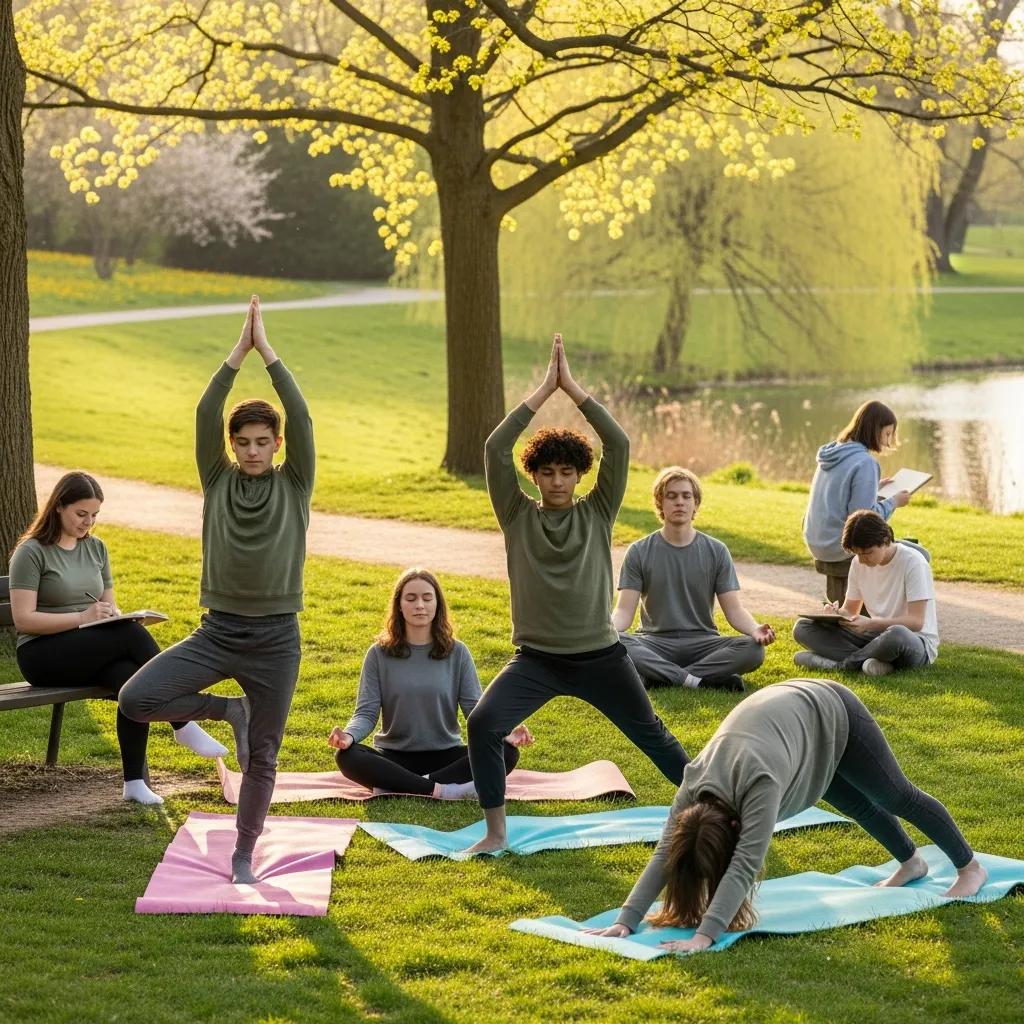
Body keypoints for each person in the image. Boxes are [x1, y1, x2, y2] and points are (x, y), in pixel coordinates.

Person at [464, 334, 689, 855]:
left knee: (653, 736)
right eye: (547, 472)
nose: (558, 480)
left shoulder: (597, 511)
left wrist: (576, 391)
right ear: (535, 475)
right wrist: (544, 391)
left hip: (601, 658)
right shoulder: (517, 515)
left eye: (567, 471)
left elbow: (621, 445)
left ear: (580, 474)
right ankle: (496, 833)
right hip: (536, 660)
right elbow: (495, 448)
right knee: (483, 725)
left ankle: (717, 808)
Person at [119, 295, 314, 883]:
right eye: (244, 442)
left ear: (277, 445)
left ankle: (243, 852)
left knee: (266, 754)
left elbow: (301, 415)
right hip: (217, 631)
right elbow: (208, 408)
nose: (253, 451)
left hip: (277, 639)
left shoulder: (296, 482)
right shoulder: (217, 479)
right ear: (232, 447)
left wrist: (269, 353)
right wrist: (239, 351)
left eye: (262, 442)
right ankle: (230, 710)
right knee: (135, 700)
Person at [587, 679, 987, 953]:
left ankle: (969, 867)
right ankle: (912, 862)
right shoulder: (694, 784)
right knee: (856, 805)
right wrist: (628, 919)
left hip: (829, 709)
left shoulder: (758, 786)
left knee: (894, 795)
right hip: (790, 728)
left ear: (733, 825)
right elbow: (664, 854)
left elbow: (744, 863)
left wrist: (706, 935)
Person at [8, 472, 226, 805]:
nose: (88, 522)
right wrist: (84, 618)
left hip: (88, 648)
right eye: (81, 514)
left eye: (94, 515)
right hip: (41, 655)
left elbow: (108, 605)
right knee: (129, 635)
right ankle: (182, 722)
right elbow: (24, 619)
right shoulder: (32, 552)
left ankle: (134, 783)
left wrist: (115, 615)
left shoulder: (96, 549)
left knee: (129, 679)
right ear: (58, 507)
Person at [327, 568, 533, 797]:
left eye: (427, 598)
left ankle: (406, 785)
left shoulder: (458, 652)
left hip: (446, 756)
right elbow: (366, 713)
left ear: (437, 604)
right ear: (399, 605)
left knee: (507, 752)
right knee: (347, 756)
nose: (420, 605)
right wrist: (348, 736)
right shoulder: (378, 654)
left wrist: (503, 733)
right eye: (411, 598)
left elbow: (475, 710)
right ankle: (441, 790)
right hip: (394, 757)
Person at [614, 467, 775, 692]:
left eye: (686, 496)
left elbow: (735, 611)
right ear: (660, 503)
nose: (679, 501)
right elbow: (623, 612)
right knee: (617, 643)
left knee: (753, 649)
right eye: (671, 496)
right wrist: (607, 629)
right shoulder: (639, 551)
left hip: (703, 642)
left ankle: (659, 675)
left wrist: (755, 628)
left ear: (695, 503)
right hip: (654, 642)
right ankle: (697, 680)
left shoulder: (717, 551)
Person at [793, 510, 938, 677]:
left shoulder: (913, 562)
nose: (862, 560)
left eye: (867, 553)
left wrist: (871, 624)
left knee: (896, 635)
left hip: (914, 641)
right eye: (857, 553)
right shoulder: (858, 563)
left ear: (885, 540)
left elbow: (916, 622)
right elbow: (850, 611)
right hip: (875, 637)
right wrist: (835, 615)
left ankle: (842, 665)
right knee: (803, 628)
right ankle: (874, 663)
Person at [803, 400, 911, 604]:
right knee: (916, 554)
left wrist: (873, 487)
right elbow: (862, 520)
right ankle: (893, 611)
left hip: (817, 540)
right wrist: (894, 501)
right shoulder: (865, 462)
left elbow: (839, 493)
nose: (888, 442)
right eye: (887, 434)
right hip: (839, 545)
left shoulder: (834, 453)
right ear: (874, 429)